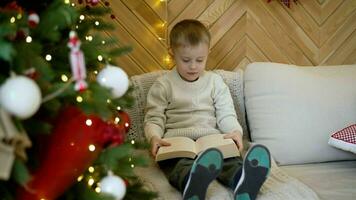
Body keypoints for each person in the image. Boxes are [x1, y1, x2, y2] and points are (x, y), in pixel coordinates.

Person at [144, 19, 271, 200]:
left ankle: (243, 182)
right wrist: (154, 137)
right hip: (176, 140)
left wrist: (234, 131)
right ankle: (191, 183)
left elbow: (225, 112)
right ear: (172, 54)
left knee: (229, 159)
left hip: (211, 138)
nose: (193, 66)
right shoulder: (163, 85)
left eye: (200, 60)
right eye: (186, 60)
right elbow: (154, 117)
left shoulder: (214, 82)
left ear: (208, 53)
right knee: (176, 164)